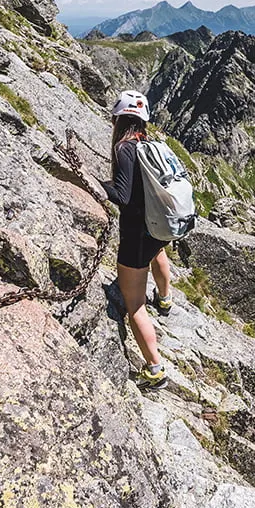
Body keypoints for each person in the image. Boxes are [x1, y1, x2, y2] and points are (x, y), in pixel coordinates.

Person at [101, 90, 174, 389]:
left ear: (118, 118)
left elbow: (123, 195)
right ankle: (166, 298)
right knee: (158, 255)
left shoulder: (123, 149)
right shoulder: (149, 145)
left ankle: (155, 368)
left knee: (135, 305)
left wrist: (97, 184)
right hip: (156, 225)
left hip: (134, 234)